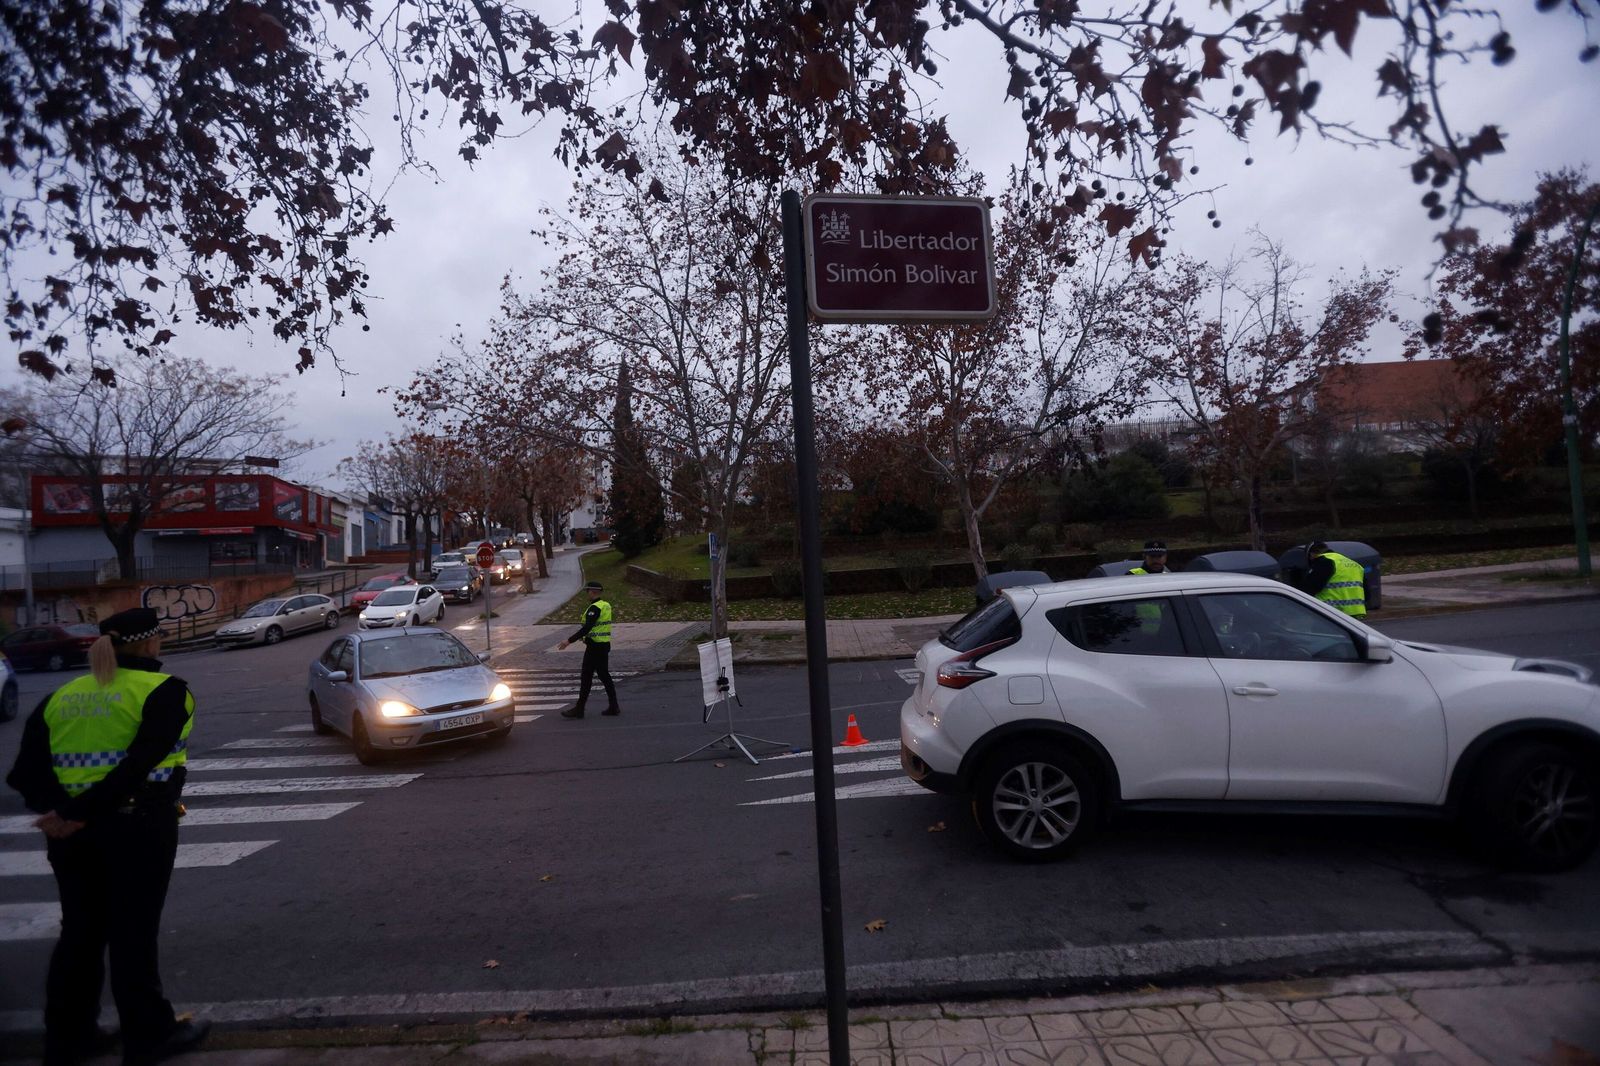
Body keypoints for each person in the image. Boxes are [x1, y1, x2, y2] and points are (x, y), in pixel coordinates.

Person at [5, 608, 210, 1066]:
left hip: (71, 838)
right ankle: (148, 1036)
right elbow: (138, 765)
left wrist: (62, 813)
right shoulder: (165, 692)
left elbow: (24, 774)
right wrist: (78, 812)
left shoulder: (63, 695)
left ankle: (68, 1038)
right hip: (138, 828)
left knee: (80, 933)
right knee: (133, 933)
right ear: (152, 643)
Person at [557, 581, 620, 718]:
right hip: (603, 645)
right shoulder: (606, 605)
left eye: (588, 591)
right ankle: (613, 706)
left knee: (587, 677)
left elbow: (587, 628)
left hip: (595, 648)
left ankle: (580, 709)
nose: (587, 594)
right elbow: (598, 627)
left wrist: (568, 641)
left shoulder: (594, 608)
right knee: (604, 676)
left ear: (592, 591)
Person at [1302, 540, 1368, 616]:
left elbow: (1310, 588)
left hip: (1330, 614)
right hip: (1354, 616)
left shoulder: (1324, 562)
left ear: (1312, 554)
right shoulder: (1355, 565)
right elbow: (1367, 594)